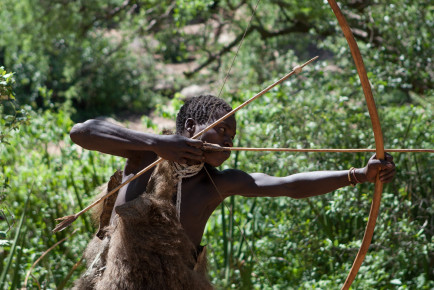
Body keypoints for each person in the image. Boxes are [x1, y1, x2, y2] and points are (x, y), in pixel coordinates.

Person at [70, 94, 395, 285]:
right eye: (222, 130)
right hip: (116, 281)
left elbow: (290, 185)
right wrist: (158, 143)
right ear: (192, 129)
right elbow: (82, 132)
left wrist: (359, 174)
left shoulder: (217, 183)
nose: (228, 141)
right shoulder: (143, 154)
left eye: (232, 137)